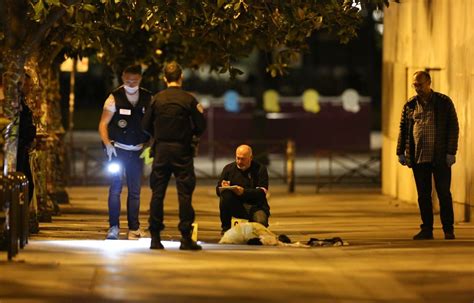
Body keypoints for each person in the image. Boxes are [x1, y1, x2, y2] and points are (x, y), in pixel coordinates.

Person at [142, 61, 206, 250]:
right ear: (181, 77)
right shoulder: (189, 100)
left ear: (164, 78)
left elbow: (145, 125)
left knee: (157, 193)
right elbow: (201, 126)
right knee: (185, 194)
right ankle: (185, 237)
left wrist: (158, 133)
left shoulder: (156, 99)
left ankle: (155, 237)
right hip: (182, 151)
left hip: (161, 150)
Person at [397, 71, 459, 240]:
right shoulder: (410, 105)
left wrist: (451, 152)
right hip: (419, 157)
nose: (418, 88)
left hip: (440, 157)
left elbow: (453, 128)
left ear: (429, 82)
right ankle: (427, 229)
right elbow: (403, 130)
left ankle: (448, 229)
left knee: (444, 193)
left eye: (420, 84)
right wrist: (400, 152)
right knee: (423, 195)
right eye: (415, 85)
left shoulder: (443, 102)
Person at [98, 65, 152, 240]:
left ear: (140, 79)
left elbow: (154, 124)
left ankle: (133, 229)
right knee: (115, 189)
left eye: (135, 80)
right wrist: (108, 145)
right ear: (122, 77)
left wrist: (150, 145)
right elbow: (103, 124)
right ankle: (113, 227)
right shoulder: (114, 98)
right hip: (117, 151)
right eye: (128, 80)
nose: (131, 83)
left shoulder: (147, 97)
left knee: (135, 191)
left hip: (137, 151)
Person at [216, 144, 270, 234]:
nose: (239, 161)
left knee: (261, 223)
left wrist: (243, 192)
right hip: (236, 205)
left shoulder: (260, 169)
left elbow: (262, 192)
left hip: (256, 206)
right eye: (238, 158)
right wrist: (222, 187)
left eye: (243, 159)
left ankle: (252, 225)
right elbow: (218, 191)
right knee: (224, 194)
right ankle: (225, 228)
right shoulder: (228, 169)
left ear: (251, 157)